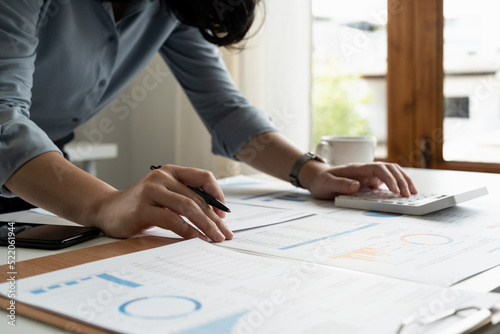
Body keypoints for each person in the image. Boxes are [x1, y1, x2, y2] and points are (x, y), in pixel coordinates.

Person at [0, 0, 417, 242]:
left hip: (39, 175)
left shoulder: (173, 7)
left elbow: (225, 108)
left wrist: (311, 171)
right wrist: (105, 202)